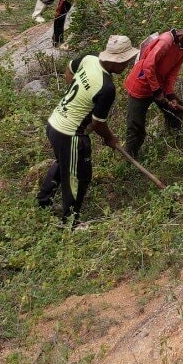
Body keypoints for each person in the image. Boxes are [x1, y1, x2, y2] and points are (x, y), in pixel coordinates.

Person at [36, 34, 139, 225]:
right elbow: (98, 123)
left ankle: (42, 202)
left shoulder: (90, 58)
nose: (127, 66)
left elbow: (69, 69)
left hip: (54, 122)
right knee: (78, 177)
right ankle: (70, 223)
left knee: (63, 163)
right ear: (117, 61)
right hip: (70, 135)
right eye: (126, 62)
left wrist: (77, 97)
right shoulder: (106, 87)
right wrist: (111, 139)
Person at [124, 16, 183, 158]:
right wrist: (157, 91)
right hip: (142, 84)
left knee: (176, 109)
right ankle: (130, 158)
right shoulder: (165, 41)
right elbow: (147, 66)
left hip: (159, 85)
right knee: (136, 126)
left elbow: (173, 71)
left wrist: (169, 94)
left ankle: (174, 143)